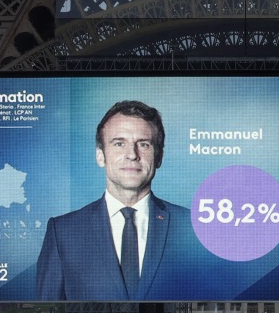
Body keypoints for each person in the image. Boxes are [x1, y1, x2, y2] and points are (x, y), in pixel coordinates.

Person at [35, 100, 196, 301]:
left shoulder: (192, 227)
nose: (132, 155)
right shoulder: (63, 232)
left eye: (143, 144)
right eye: (119, 143)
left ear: (159, 156)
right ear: (100, 156)